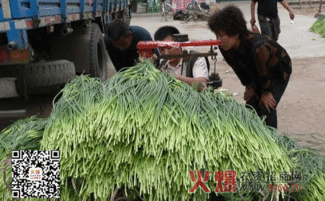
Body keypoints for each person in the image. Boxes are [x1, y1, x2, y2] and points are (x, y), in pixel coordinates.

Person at [208, 5, 292, 129]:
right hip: (256, 69)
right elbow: (237, 68)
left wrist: (266, 92)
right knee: (251, 106)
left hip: (277, 70)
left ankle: (272, 140)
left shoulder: (258, 47)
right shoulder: (225, 46)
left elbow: (264, 72)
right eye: (216, 35)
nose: (218, 39)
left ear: (235, 33)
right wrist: (249, 86)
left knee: (266, 106)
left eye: (221, 35)